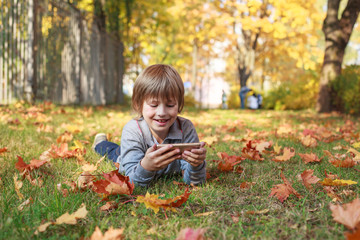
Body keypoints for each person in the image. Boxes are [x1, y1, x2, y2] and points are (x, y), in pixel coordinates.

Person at [92, 64, 207, 187]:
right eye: (153, 105)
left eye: (170, 105)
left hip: (138, 146)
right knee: (112, 152)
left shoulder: (186, 128)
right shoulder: (132, 130)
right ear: (138, 105)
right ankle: (100, 142)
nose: (162, 113)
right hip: (128, 153)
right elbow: (131, 182)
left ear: (179, 105)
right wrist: (146, 167)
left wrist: (196, 165)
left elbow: (194, 182)